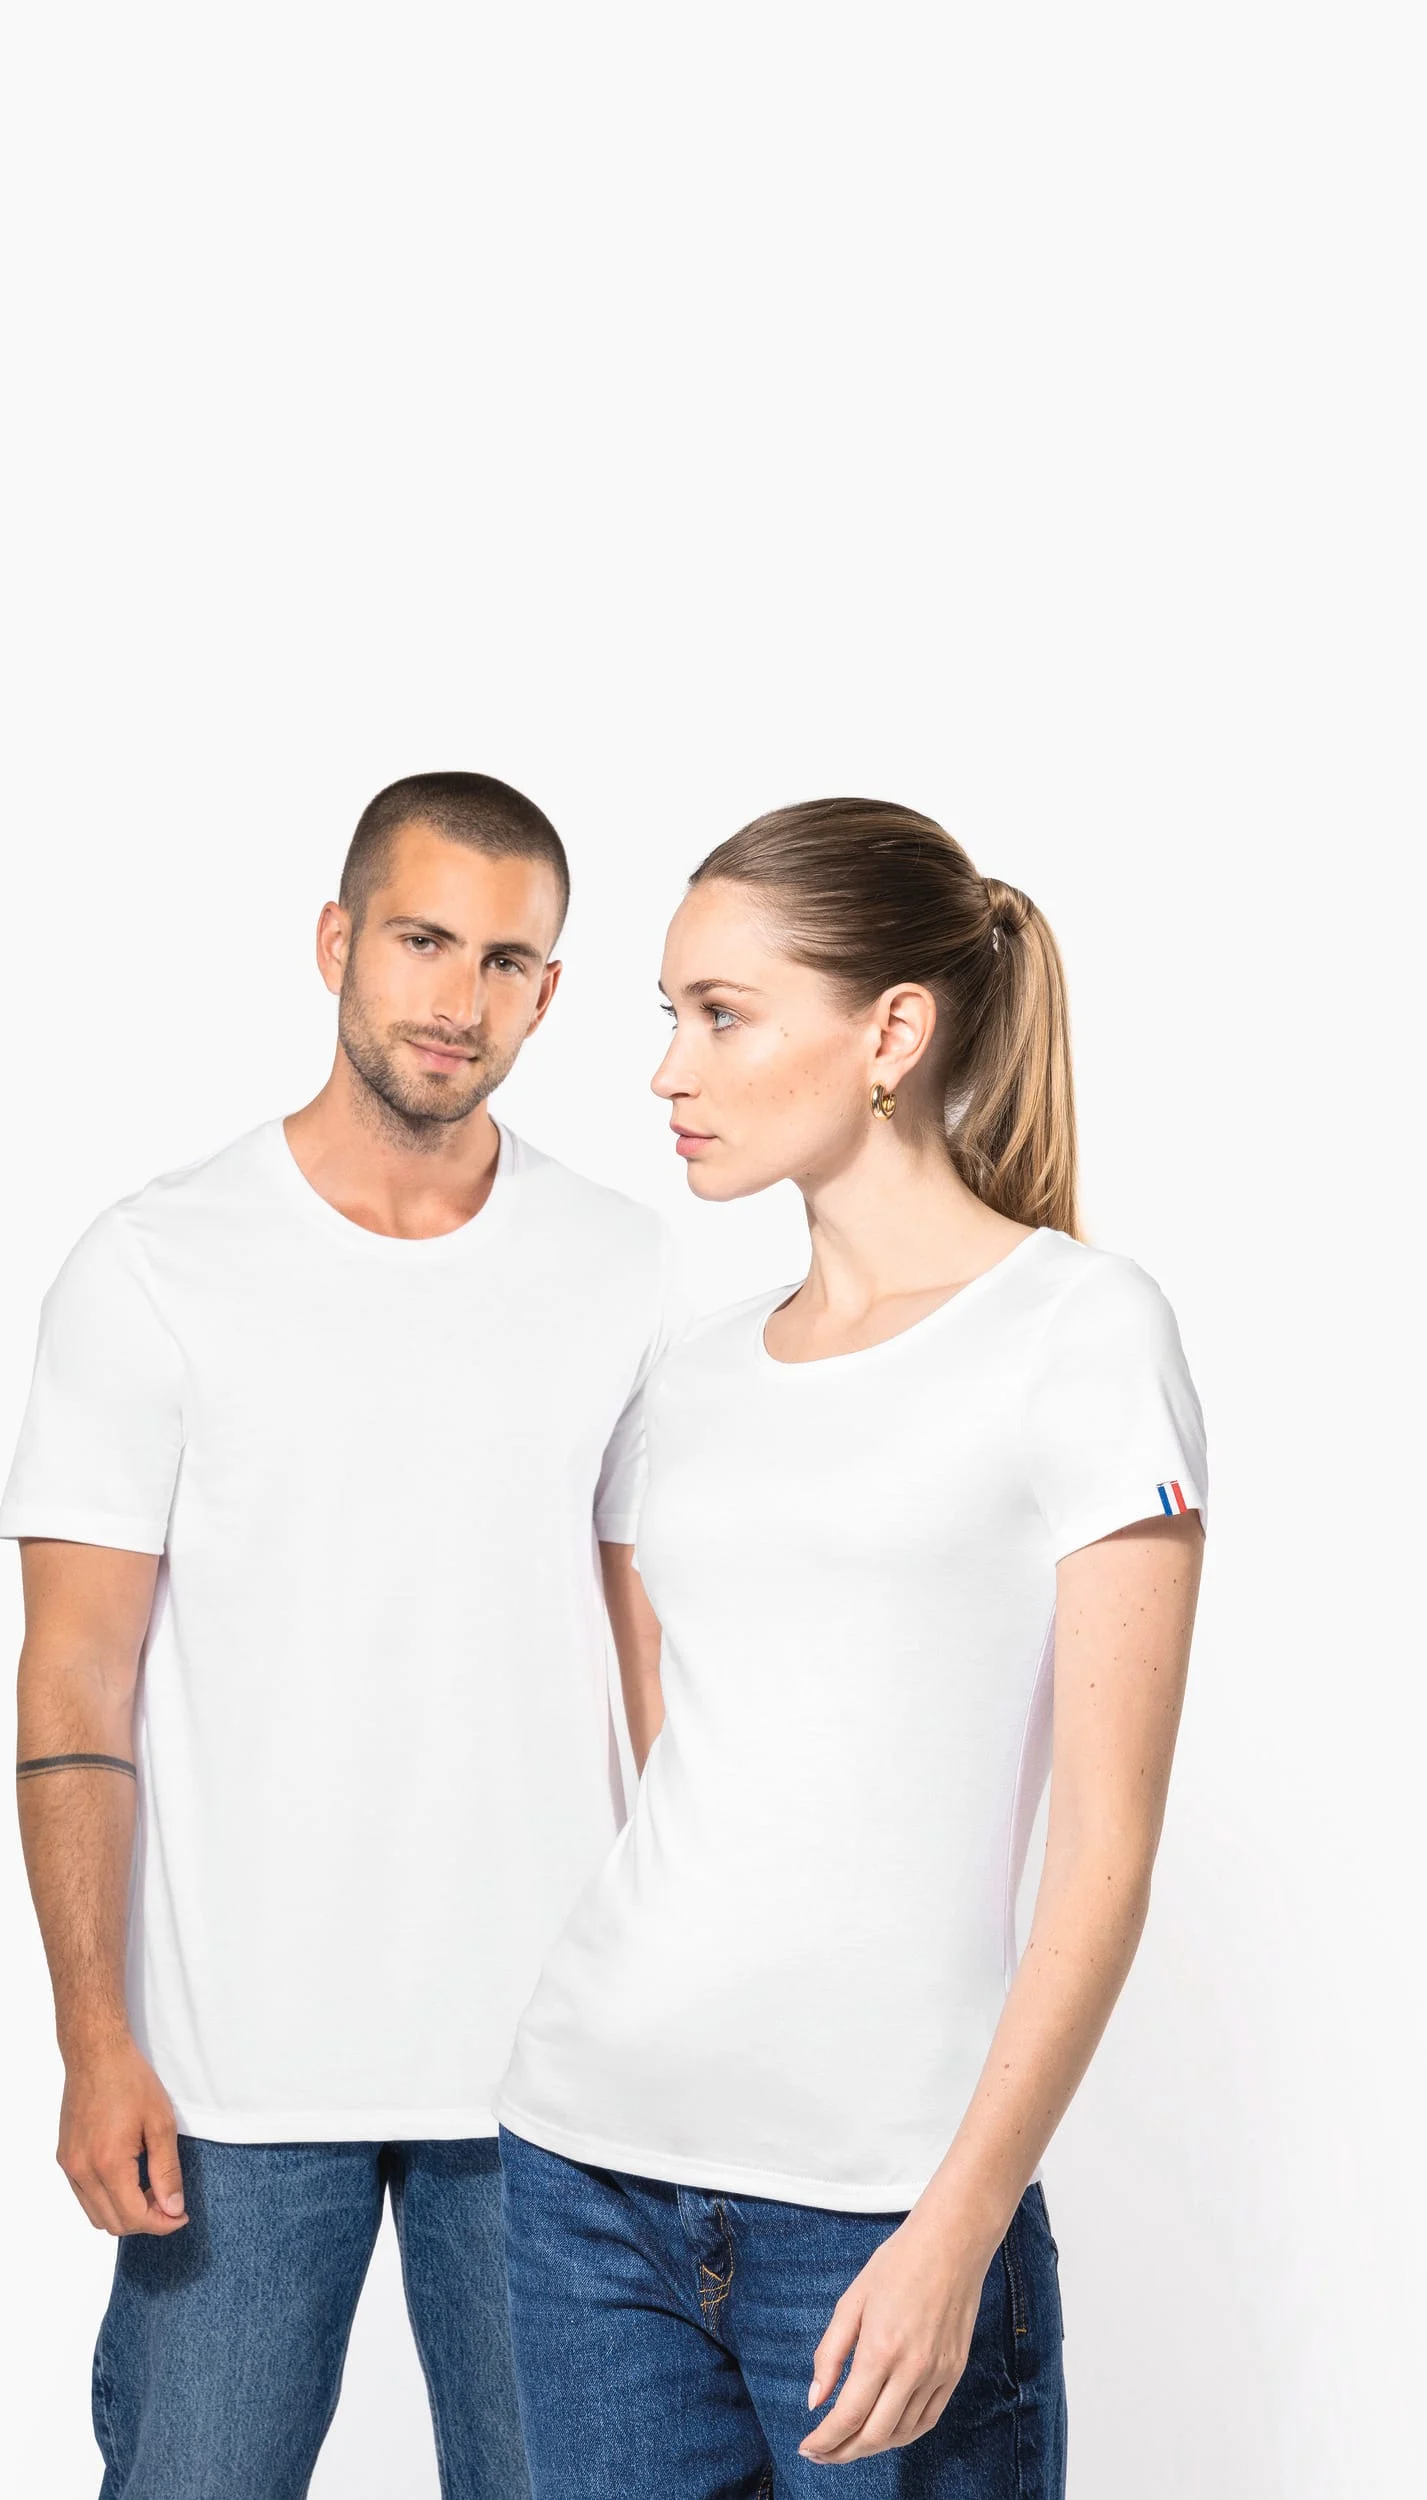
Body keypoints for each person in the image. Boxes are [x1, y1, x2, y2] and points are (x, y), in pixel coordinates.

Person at [494, 798, 1207, 2498]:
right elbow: (689, 1759)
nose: (667, 1070)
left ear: (891, 1032)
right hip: (584, 2164)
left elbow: (1105, 1856)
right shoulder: (693, 1371)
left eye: (721, 1015)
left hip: (881, 2200)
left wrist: (958, 2226)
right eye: (667, 1014)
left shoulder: (1079, 1334)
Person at [0, 772, 675, 2500]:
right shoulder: (154, 1264)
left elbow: (655, 1656)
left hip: (547, 2071)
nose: (458, 998)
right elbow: (74, 1678)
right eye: (422, 940)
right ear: (335, 942)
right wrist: (92, 2036)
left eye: (506, 961)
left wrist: (689, 1989)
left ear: (549, 993)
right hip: (229, 2073)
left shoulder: (624, 1270)